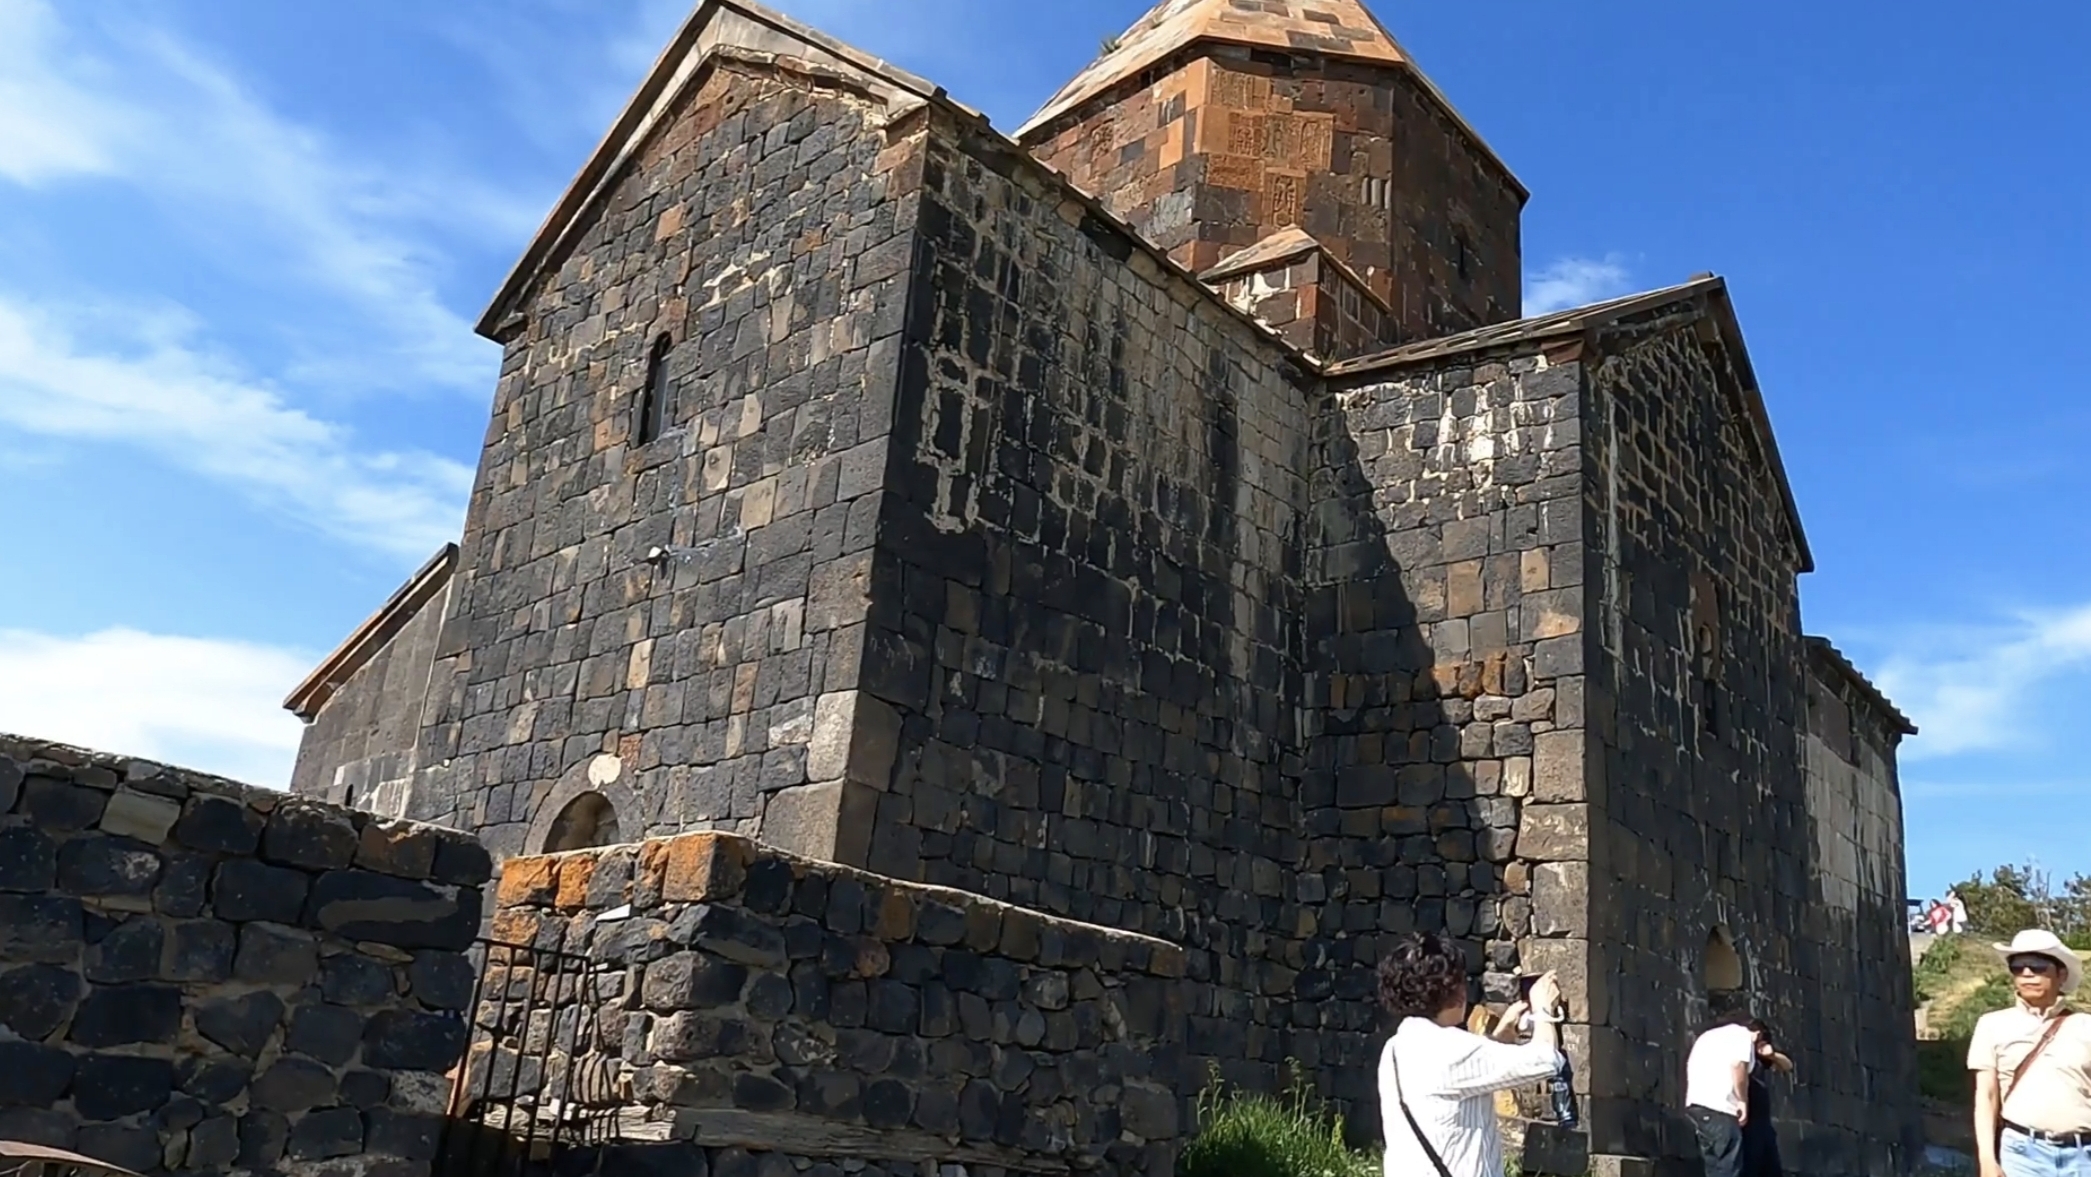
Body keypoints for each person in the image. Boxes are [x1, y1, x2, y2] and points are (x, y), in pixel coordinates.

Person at [1376, 932, 1566, 1177]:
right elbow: (1545, 1060)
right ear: (1453, 990)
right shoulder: (1449, 1048)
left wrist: (1500, 1038)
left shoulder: (1395, 1048)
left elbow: (1461, 1076)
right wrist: (1542, 1008)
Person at [1968, 930, 2091, 1177]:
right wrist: (1987, 1160)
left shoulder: (2085, 1026)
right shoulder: (1991, 1024)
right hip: (2021, 1154)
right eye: (2018, 967)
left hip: (2084, 1155)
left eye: (2038, 966)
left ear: (2061, 975)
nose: (2027, 974)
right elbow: (1986, 1097)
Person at [1685, 1013, 1770, 1177]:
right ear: (1758, 1035)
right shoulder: (1743, 1035)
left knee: (1715, 1166)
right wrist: (1742, 1101)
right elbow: (1738, 1065)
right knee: (1729, 1166)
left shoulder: (1711, 1036)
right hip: (1720, 1109)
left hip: (1698, 1107)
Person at [1742, 1036, 1796, 1177]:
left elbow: (1787, 1065)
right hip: (1747, 1122)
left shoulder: (1759, 1059)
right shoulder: (1739, 1056)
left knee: (1771, 1167)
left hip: (1763, 1122)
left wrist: (1771, 1055)